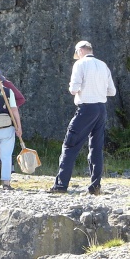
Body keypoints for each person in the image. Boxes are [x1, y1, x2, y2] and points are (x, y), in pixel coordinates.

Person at [49, 41, 116, 195]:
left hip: (86, 108)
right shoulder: (103, 65)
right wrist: (97, 90)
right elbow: (112, 92)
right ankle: (95, 187)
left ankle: (60, 185)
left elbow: (73, 89)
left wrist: (82, 89)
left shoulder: (80, 64)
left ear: (79, 51)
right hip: (101, 108)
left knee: (70, 145)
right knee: (96, 148)